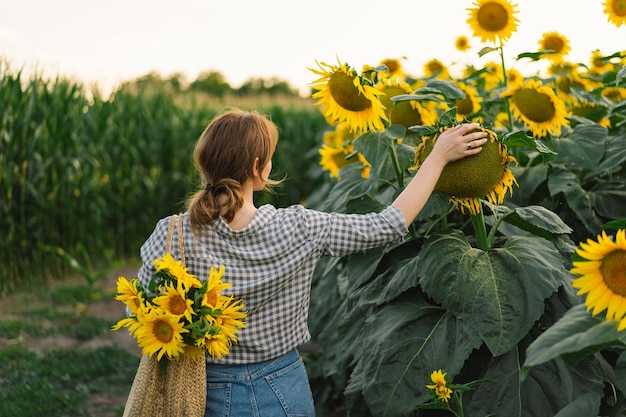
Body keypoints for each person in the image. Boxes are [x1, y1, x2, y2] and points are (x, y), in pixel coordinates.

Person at [137, 108, 488, 417]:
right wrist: (437, 158)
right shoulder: (300, 227)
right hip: (282, 386)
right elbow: (389, 224)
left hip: (201, 392)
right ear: (258, 168)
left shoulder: (172, 234)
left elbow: (141, 311)